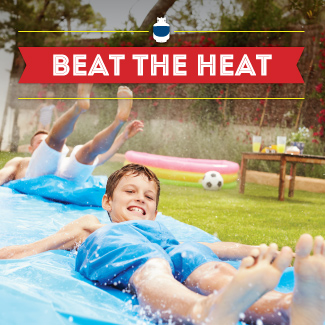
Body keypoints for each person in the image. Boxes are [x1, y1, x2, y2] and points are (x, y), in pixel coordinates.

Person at [1, 164, 325, 325]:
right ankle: (201, 311)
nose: (140, 198)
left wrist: (254, 250)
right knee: (153, 266)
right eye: (129, 192)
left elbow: (216, 247)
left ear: (155, 212)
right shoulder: (94, 226)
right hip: (117, 246)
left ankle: (286, 305)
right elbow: (34, 248)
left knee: (201, 260)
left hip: (168, 249)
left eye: (148, 196)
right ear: (106, 202)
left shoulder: (163, 233)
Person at [0, 84, 144, 186]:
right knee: (57, 141)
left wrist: (123, 135)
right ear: (30, 149)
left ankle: (115, 120)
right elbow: (3, 174)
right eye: (40, 142)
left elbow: (102, 155)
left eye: (45, 141)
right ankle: (85, 110)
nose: (43, 144)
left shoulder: (65, 161)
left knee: (89, 152)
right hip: (43, 180)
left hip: (65, 181)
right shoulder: (20, 161)